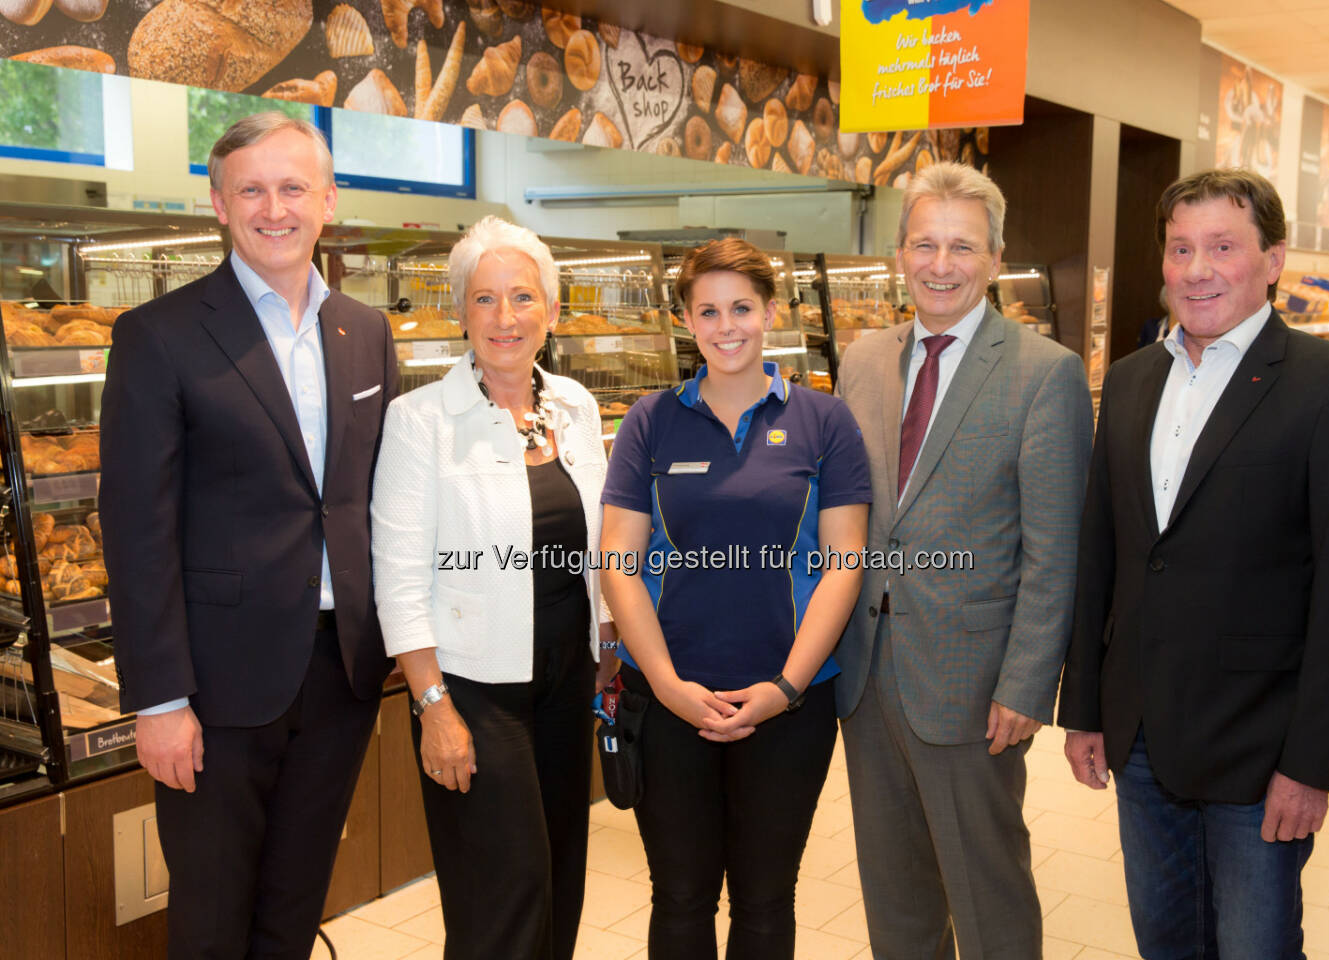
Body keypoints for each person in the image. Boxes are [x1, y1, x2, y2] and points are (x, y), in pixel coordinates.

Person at [1058, 169, 1329, 958]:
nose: (1197, 269)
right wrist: (1083, 708)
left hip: (1262, 747)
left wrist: (1315, 763)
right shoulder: (1134, 378)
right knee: (1166, 941)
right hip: (1140, 735)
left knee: (1256, 947)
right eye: (1181, 248)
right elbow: (1101, 552)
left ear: (1274, 259)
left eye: (1222, 246)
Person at [99, 112, 398, 958]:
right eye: (253, 189)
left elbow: (371, 501)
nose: (276, 208)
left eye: (294, 187)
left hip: (339, 673)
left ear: (328, 201)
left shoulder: (366, 332)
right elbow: (136, 528)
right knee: (213, 918)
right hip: (215, 688)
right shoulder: (159, 334)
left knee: (294, 907)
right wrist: (158, 700)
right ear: (220, 205)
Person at [834, 161, 1093, 959]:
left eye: (961, 246)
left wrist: (1025, 684)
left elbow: (1055, 553)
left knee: (988, 894)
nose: (940, 263)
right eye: (924, 243)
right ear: (899, 255)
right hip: (866, 673)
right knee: (895, 894)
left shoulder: (1045, 374)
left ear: (994, 257)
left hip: (972, 683)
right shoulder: (865, 359)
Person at [599, 238, 871, 960]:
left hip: (790, 706)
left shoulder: (824, 422)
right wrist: (663, 685)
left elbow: (845, 562)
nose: (727, 327)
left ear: (771, 312)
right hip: (667, 703)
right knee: (681, 899)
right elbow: (617, 563)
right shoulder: (650, 422)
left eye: (742, 307)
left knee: (764, 902)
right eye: (709, 310)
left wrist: (786, 687)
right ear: (686, 320)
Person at [370, 216, 615, 960]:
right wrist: (432, 706)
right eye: (484, 300)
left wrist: (610, 644)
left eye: (522, 297)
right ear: (460, 311)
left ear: (552, 309)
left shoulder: (574, 406)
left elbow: (598, 545)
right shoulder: (419, 422)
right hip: (474, 691)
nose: (504, 319)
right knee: (502, 901)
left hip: (568, 679)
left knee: (561, 882)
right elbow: (399, 577)